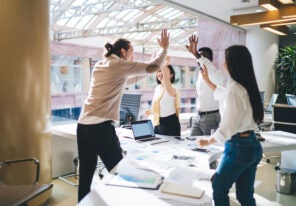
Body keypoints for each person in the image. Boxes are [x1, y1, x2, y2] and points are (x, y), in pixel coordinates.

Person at [76, 29, 169, 202]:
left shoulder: (101, 64)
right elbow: (153, 67)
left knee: (86, 174)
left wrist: (142, 71)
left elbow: (127, 79)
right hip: (100, 127)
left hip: (83, 125)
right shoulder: (119, 65)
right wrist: (163, 50)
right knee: (120, 172)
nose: (132, 57)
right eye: (131, 53)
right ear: (123, 52)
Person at [197, 45, 264, 206]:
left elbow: (228, 127)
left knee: (218, 189)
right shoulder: (245, 86)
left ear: (233, 63)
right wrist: (207, 80)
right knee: (245, 196)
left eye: (226, 59)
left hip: (239, 148)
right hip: (252, 145)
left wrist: (208, 141)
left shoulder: (235, 89)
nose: (222, 63)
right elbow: (224, 94)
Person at [186, 35, 224, 136]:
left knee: (209, 148)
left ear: (210, 59)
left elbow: (206, 64)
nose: (200, 59)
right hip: (199, 116)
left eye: (203, 56)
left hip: (211, 116)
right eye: (199, 56)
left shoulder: (215, 73)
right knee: (191, 143)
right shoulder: (200, 74)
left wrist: (196, 54)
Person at [147, 61, 181, 136]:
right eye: (159, 71)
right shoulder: (157, 89)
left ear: (171, 75)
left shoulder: (172, 89)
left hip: (170, 124)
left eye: (164, 71)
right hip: (158, 123)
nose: (160, 73)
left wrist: (162, 62)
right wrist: (151, 112)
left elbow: (167, 83)